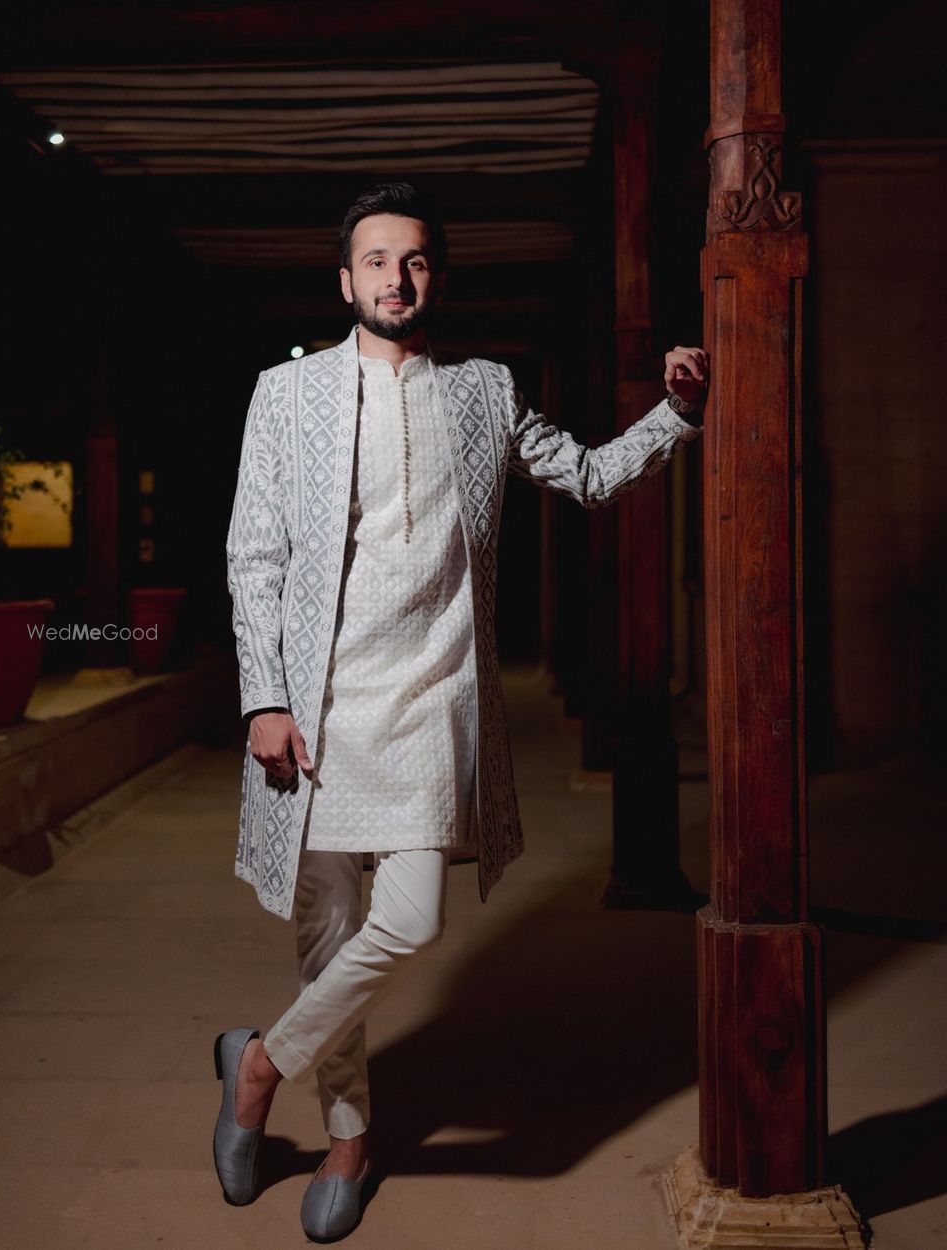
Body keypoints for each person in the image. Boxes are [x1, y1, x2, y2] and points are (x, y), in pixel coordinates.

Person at [216, 180, 709, 1241]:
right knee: (327, 936)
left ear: (436, 276)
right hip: (315, 710)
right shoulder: (285, 394)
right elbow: (253, 556)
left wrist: (675, 415)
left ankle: (256, 1064)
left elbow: (580, 473)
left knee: (408, 919)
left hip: (432, 703)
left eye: (417, 260)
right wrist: (262, 697)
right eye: (378, 260)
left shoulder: (485, 389)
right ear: (345, 278)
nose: (398, 278)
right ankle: (348, 1135)